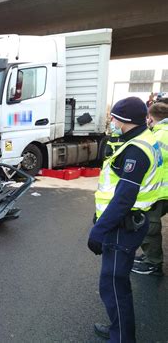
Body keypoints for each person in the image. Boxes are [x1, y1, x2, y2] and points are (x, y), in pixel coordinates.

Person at [88, 97, 163, 342]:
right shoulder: (139, 139)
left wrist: (99, 230)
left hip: (124, 226)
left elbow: (123, 198)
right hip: (127, 222)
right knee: (115, 283)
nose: (111, 121)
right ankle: (118, 330)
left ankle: (121, 338)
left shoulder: (136, 150)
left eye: (114, 117)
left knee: (113, 285)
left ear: (125, 120)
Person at [131, 100, 168, 276]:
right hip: (162, 190)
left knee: (149, 225)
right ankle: (149, 256)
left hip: (159, 190)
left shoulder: (160, 136)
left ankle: (153, 263)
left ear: (150, 118)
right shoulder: (162, 133)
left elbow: (150, 162)